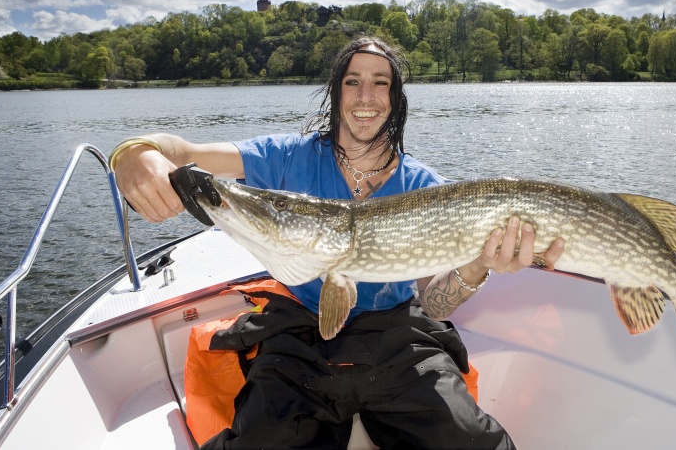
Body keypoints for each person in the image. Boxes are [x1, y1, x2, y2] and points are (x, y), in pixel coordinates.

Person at [113, 36, 564, 449]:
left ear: (395, 98)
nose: (365, 96)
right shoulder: (285, 156)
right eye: (353, 81)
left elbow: (437, 304)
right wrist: (136, 152)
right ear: (337, 92)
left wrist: (476, 268)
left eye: (379, 82)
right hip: (298, 333)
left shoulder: (426, 187)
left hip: (396, 336)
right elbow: (180, 150)